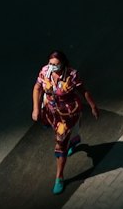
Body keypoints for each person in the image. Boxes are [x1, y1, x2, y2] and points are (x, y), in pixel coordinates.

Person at [32, 49, 99, 193]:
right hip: (49, 111)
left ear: (62, 64)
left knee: (61, 142)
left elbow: (83, 91)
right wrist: (36, 109)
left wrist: (93, 106)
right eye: (50, 63)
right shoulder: (45, 71)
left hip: (67, 114)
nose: (52, 67)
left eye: (55, 64)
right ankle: (73, 141)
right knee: (52, 127)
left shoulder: (72, 75)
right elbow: (37, 88)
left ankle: (59, 177)